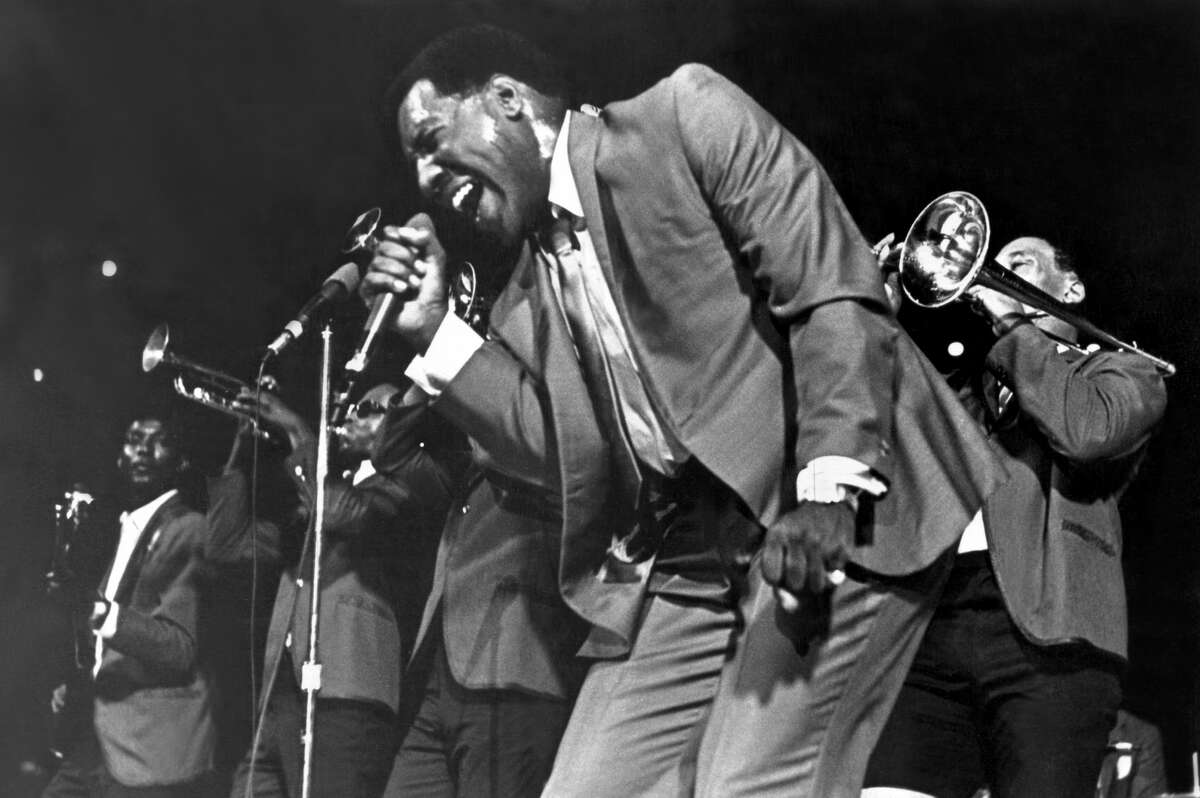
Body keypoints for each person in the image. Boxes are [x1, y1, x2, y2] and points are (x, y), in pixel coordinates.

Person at [363, 25, 1007, 797]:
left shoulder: (682, 118)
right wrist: (434, 330)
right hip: (693, 548)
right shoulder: (528, 287)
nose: (427, 178)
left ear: (508, 101)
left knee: (749, 783)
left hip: (829, 504)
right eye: (415, 164)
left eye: (432, 141)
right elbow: (557, 449)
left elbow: (832, 289)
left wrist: (829, 487)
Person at [862, 237, 1168, 798]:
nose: (993, 273)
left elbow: (1085, 431)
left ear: (1069, 290)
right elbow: (881, 413)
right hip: (937, 623)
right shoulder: (974, 390)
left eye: (1018, 265)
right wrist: (875, 309)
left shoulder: (1128, 372)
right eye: (992, 267)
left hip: (1052, 638)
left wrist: (1011, 326)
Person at [206, 383, 463, 798]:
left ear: (398, 423)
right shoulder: (325, 489)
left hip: (347, 698)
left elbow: (342, 512)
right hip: (282, 694)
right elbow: (226, 544)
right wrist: (241, 445)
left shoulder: (406, 489)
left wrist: (298, 433)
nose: (350, 416)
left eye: (367, 409)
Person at [42, 414, 217, 798]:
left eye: (160, 440)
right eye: (133, 439)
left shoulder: (188, 528)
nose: (142, 449)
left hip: (147, 749)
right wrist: (78, 683)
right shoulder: (128, 526)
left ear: (182, 460)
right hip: (98, 740)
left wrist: (101, 614)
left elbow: (179, 647)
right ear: (119, 457)